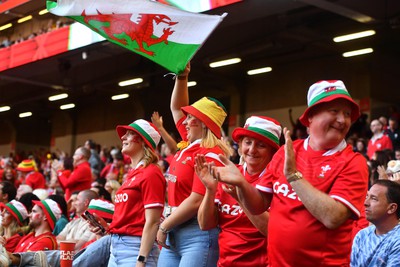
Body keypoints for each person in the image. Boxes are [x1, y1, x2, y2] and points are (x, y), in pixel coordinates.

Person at [210, 80, 369, 266]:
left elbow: (333, 217)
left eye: (347, 113)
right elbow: (258, 205)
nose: (342, 120)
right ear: (311, 116)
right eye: (334, 111)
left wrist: (294, 176)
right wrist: (242, 184)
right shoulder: (288, 151)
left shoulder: (353, 162)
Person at [156, 63, 231, 267]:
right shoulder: (191, 143)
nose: (185, 122)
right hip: (175, 230)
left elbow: (197, 200)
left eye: (191, 118)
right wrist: (182, 77)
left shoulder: (211, 153)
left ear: (204, 124)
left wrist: (164, 227)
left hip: (196, 233)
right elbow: (175, 107)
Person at [196, 116, 282, 266]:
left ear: (272, 151)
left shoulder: (278, 181)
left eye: (261, 145)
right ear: (240, 144)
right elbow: (205, 224)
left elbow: (272, 231)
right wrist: (210, 190)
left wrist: (240, 195)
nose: (252, 150)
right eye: (248, 142)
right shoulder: (230, 173)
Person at [91, 118, 166, 266]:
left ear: (143, 140)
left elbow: (152, 221)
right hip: (116, 247)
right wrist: (107, 228)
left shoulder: (151, 173)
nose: (123, 137)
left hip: (135, 250)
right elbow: (130, 218)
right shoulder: (133, 174)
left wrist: (141, 260)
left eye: (129, 134)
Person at [351, 180, 400, 266]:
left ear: (392, 208)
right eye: (367, 197)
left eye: (374, 198)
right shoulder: (362, 235)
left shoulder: (397, 240)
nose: (365, 203)